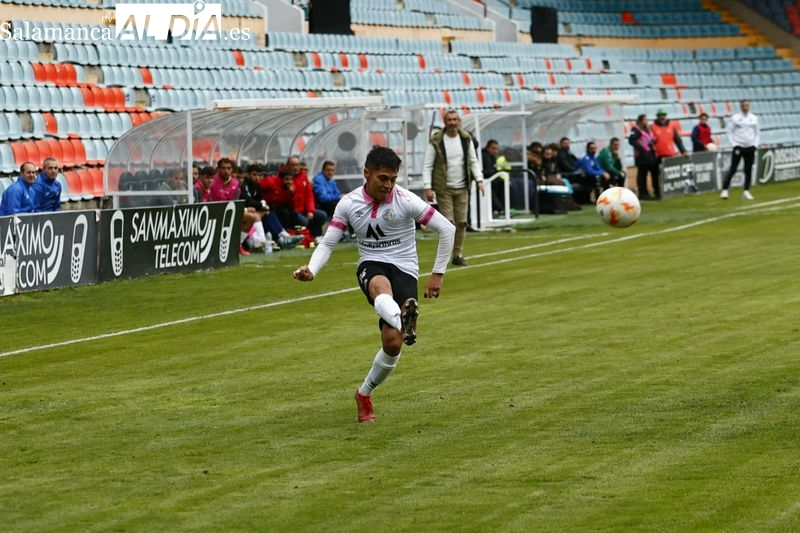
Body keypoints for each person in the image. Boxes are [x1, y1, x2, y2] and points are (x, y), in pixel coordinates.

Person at [293, 146, 455, 424]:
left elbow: (447, 229)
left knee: (392, 344)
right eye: (383, 178)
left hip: (405, 268)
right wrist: (312, 269)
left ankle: (364, 392)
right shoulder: (348, 203)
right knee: (380, 286)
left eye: (393, 179)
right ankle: (403, 319)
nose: (389, 185)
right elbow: (329, 242)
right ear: (366, 173)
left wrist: (437, 274)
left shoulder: (405, 199)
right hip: (371, 263)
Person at [422, 109, 484, 267]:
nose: (452, 122)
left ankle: (458, 254)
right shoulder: (436, 141)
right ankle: (444, 256)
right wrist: (428, 187)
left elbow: (473, 160)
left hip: (463, 186)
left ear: (459, 121)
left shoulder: (465, 139)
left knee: (462, 222)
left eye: (455, 119)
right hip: (444, 187)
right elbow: (428, 165)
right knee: (448, 224)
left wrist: (479, 179)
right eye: (449, 119)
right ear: (445, 122)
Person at [240, 164, 303, 251]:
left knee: (269, 212)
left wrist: (263, 204)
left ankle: (283, 236)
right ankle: (263, 241)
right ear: (248, 174)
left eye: (259, 175)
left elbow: (261, 198)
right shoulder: (245, 185)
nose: (257, 177)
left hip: (256, 210)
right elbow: (247, 200)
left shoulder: (256, 185)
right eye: (254, 174)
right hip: (246, 211)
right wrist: (261, 205)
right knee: (259, 215)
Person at [721, 100, 760, 201]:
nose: (745, 107)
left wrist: (755, 145)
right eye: (743, 105)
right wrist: (734, 145)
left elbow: (757, 133)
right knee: (733, 168)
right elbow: (729, 132)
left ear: (749, 106)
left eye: (747, 105)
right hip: (739, 146)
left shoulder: (754, 118)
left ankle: (746, 191)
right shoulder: (735, 118)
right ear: (741, 106)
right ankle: (725, 190)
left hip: (750, 147)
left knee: (748, 170)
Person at [628, 114, 659, 200]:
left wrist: (654, 141)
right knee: (642, 175)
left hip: (651, 154)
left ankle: (656, 192)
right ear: (641, 120)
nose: (646, 122)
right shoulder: (636, 129)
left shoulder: (647, 129)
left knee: (654, 173)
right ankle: (643, 193)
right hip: (641, 156)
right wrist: (641, 149)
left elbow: (649, 139)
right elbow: (631, 140)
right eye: (645, 120)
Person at [481, 139, 505, 216]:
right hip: (484, 180)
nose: (495, 151)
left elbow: (493, 171)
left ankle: (500, 208)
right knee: (492, 187)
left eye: (497, 149)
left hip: (491, 179)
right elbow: (489, 171)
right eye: (493, 148)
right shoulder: (485, 156)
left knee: (502, 184)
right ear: (488, 148)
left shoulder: (492, 157)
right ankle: (499, 209)